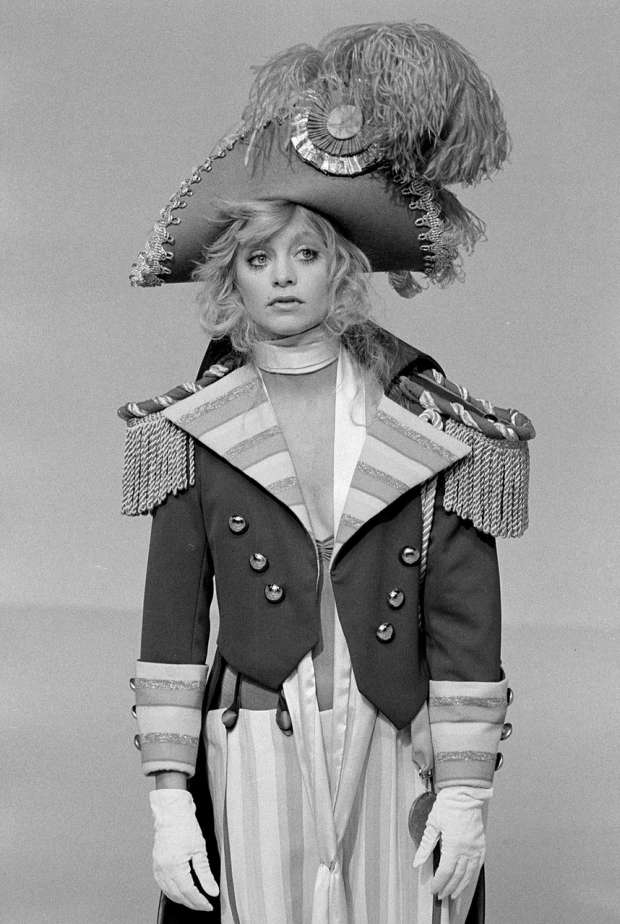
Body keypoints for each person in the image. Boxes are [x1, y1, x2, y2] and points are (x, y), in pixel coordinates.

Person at [120, 21, 534, 924]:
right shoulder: (192, 428)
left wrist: (466, 792)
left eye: (305, 254)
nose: (282, 277)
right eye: (258, 257)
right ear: (230, 278)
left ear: (343, 267)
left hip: (396, 736)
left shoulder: (425, 420)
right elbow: (172, 621)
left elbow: (465, 615)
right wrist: (169, 800)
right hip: (253, 734)